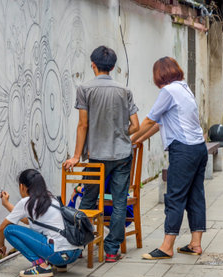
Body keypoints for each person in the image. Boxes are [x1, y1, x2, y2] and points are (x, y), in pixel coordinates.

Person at [63, 45, 139, 262]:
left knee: (88, 200)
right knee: (119, 201)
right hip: (122, 156)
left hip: (96, 158)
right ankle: (112, 250)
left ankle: (79, 245)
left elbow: (83, 125)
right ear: (113, 67)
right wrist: (120, 134)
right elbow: (135, 125)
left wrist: (76, 156)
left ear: (93, 65)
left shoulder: (85, 89)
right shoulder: (125, 91)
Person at [132, 56, 208, 260]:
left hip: (183, 151)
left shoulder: (168, 91)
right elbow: (159, 124)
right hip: (199, 149)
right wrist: (137, 141)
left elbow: (149, 120)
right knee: (195, 195)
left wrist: (128, 138)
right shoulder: (184, 88)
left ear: (159, 74)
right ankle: (195, 243)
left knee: (175, 196)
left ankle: (167, 246)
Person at [0, 169, 82, 277]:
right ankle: (60, 265)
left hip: (58, 254)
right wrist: (7, 204)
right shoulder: (52, 199)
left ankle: (41, 266)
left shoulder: (26, 202)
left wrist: (0, 245)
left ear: (22, 186)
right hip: (73, 253)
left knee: (9, 230)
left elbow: (1, 228)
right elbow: (28, 221)